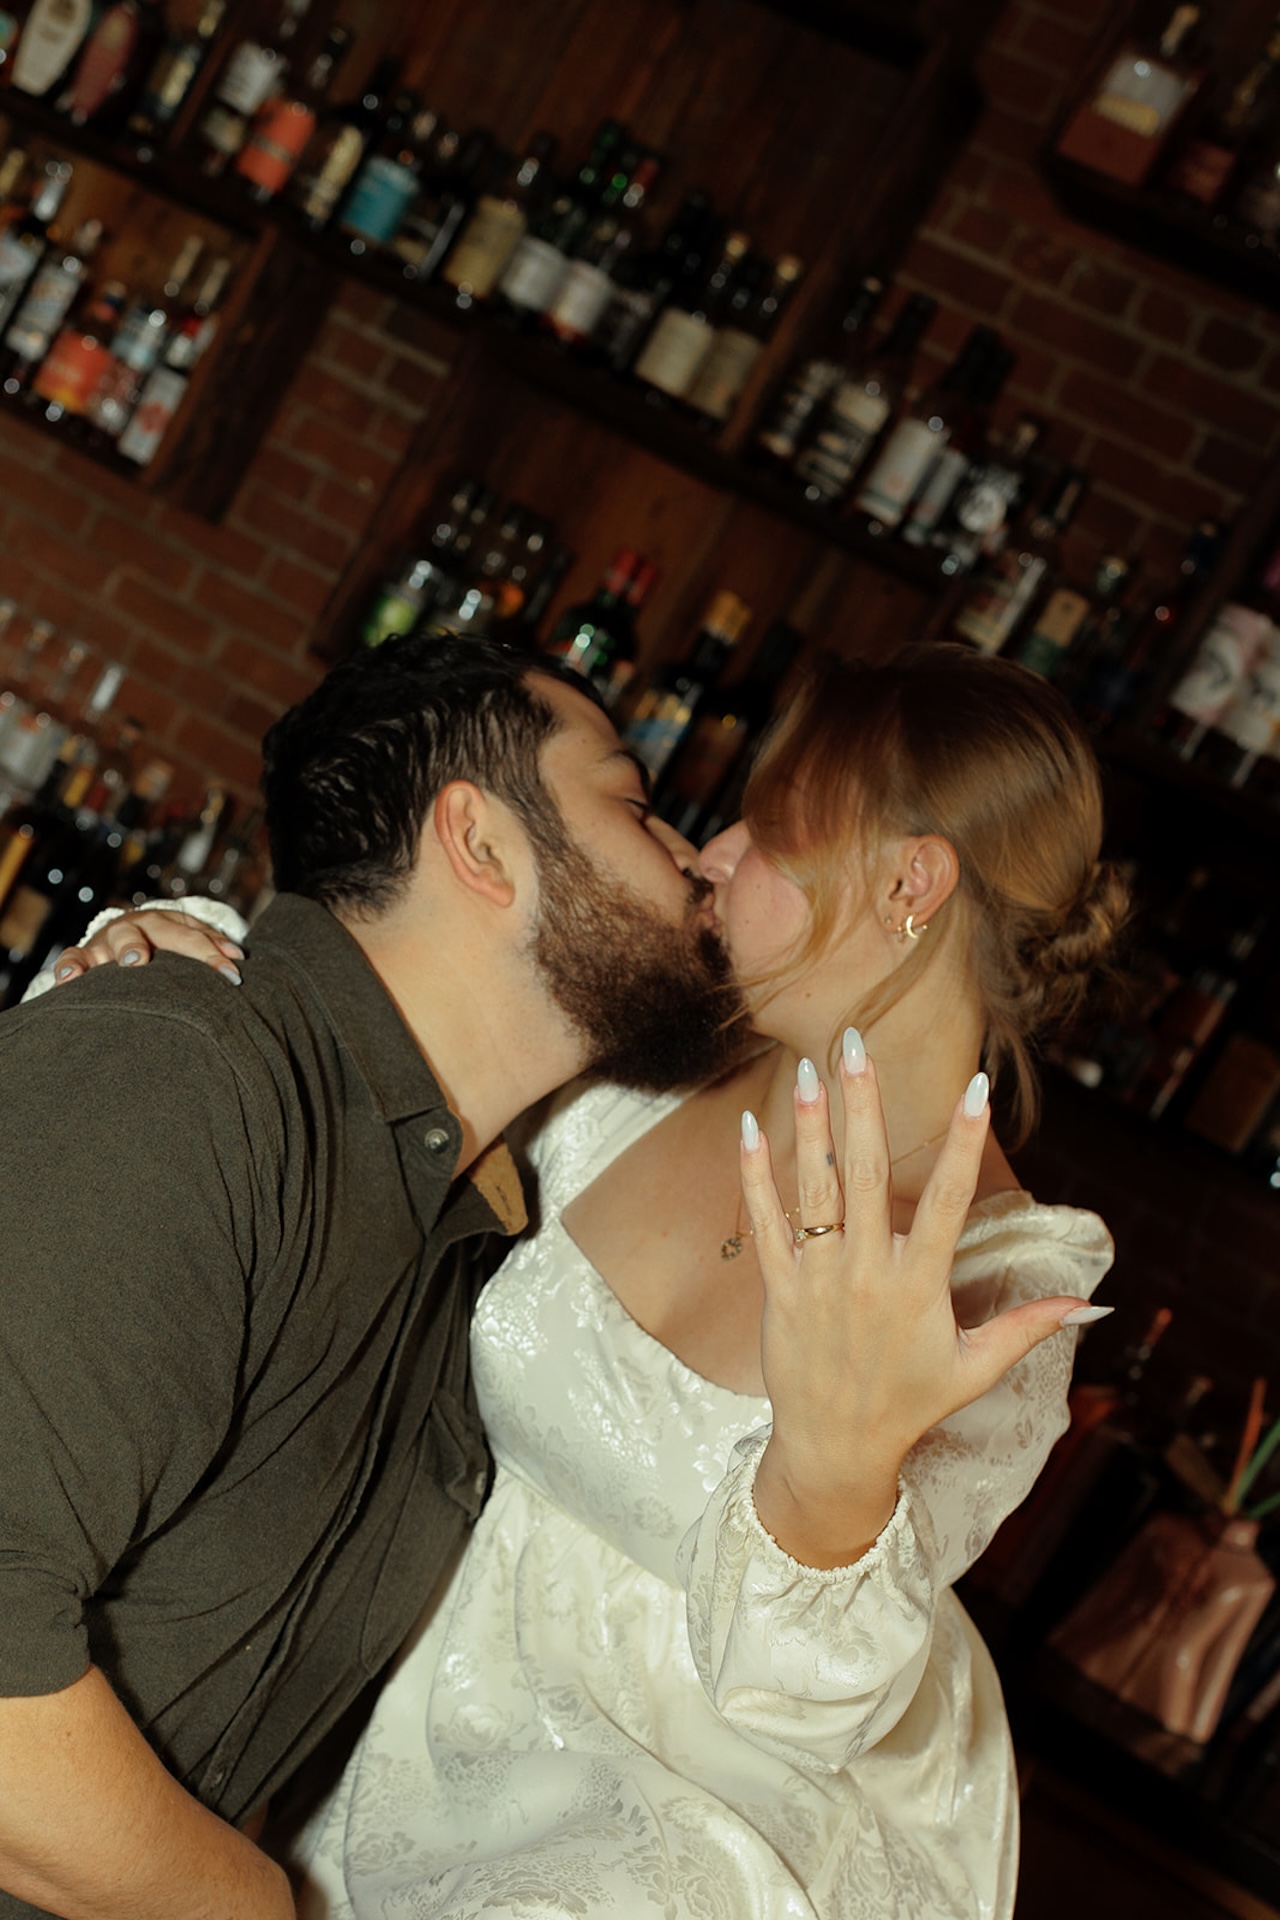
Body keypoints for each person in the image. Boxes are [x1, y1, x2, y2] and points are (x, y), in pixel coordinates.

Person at [58, 641, 1127, 1919]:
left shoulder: (1005, 1279)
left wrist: (834, 1483)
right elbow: (401, 1056)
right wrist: (190, 959)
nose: (710, 856)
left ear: (910, 879)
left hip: (680, 1832)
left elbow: (804, 1692)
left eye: (768, 831)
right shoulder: (637, 1065)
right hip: (381, 1690)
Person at [0, 634, 748, 1920]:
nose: (694, 857)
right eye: (632, 801)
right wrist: (254, 1904)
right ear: (481, 843)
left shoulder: (467, 1257)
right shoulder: (186, 1073)